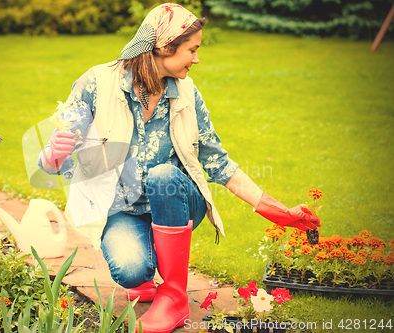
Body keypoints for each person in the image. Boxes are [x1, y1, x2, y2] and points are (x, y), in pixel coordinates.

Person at [38, 3, 320, 333]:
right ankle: (146, 267)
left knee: (163, 175)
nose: (196, 59)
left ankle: (174, 298)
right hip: (125, 208)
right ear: (164, 47)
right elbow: (57, 155)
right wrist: (53, 155)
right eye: (192, 49)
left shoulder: (187, 94)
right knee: (130, 270)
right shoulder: (97, 83)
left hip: (178, 199)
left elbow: (218, 162)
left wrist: (276, 210)